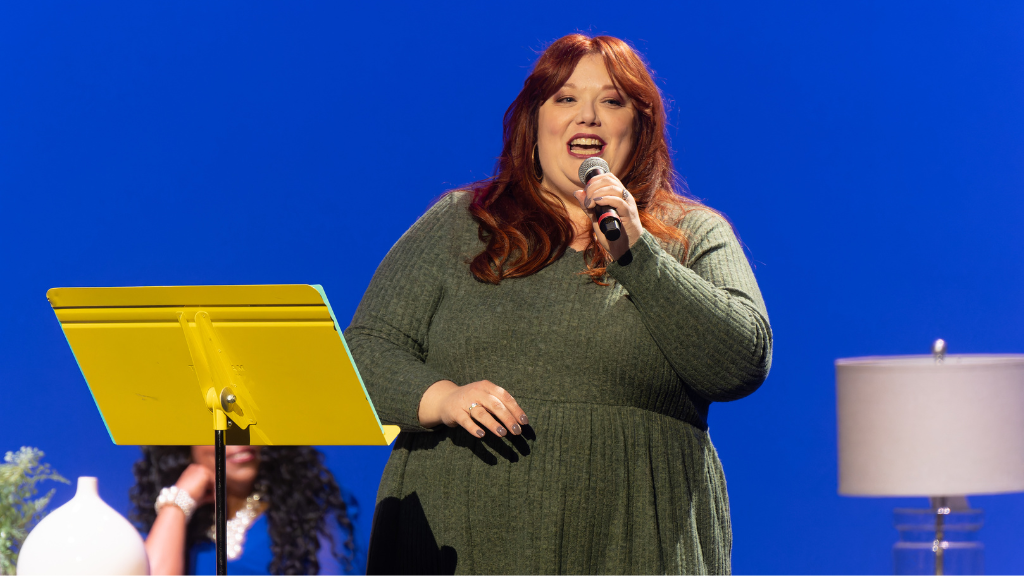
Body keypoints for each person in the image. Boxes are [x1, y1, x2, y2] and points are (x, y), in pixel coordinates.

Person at [345, 33, 772, 574]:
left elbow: (740, 363)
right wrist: (441, 398)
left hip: (638, 542)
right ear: (534, 124)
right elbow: (367, 349)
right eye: (565, 99)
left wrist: (638, 254)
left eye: (612, 101)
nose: (587, 117)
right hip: (462, 537)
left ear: (639, 129)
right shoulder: (463, 223)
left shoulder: (692, 234)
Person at [129, 446, 359, 575]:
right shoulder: (182, 527)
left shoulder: (313, 508)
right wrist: (178, 503)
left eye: (247, 424)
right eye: (218, 426)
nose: (239, 439)